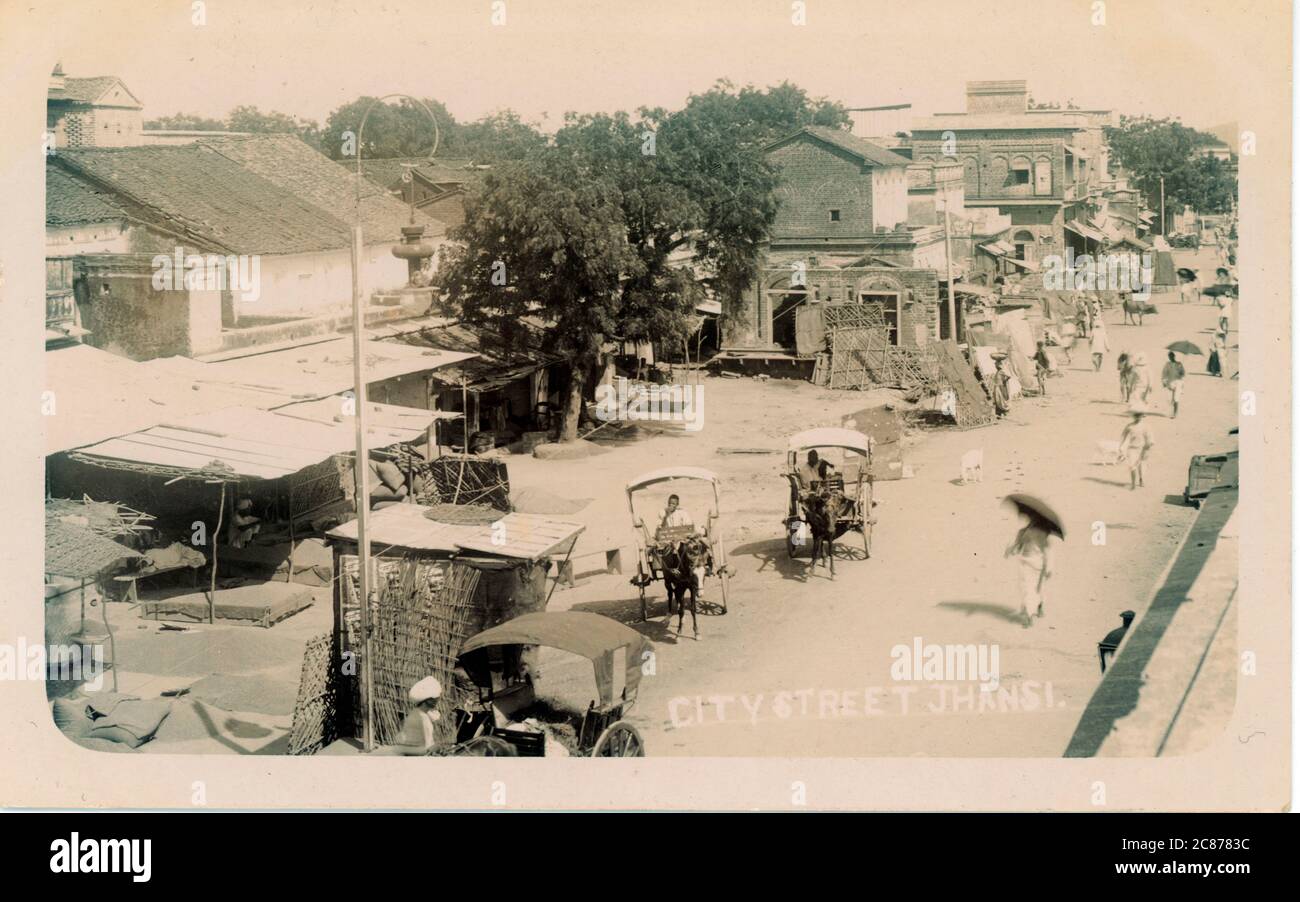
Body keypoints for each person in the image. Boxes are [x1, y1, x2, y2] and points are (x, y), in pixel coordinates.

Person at [1005, 512, 1054, 628]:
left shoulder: (1024, 532)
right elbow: (1048, 552)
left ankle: (1029, 614)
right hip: (1038, 563)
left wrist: (1010, 550)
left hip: (1028, 562)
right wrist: (1050, 567)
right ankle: (1038, 605)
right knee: (1036, 587)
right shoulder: (1044, 534)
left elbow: (1016, 548)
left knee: (1028, 588)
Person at [393, 676, 443, 756]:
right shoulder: (418, 718)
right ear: (427, 700)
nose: (437, 700)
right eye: (435, 698)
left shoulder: (423, 715)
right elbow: (407, 749)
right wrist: (431, 749)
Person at [1120, 409, 1155, 490]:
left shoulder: (1146, 426)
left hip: (1142, 449)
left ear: (1142, 416)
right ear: (1133, 416)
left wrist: (1149, 444)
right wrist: (1121, 447)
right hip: (1132, 449)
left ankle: (1141, 479)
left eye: (1139, 416)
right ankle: (1133, 484)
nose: (1138, 417)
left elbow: (1150, 437)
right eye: (1136, 416)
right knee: (1132, 466)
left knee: (1141, 465)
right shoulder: (1129, 426)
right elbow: (1123, 436)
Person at [1161, 351, 1186, 418]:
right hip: (1170, 383)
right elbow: (1164, 373)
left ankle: (1175, 413)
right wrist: (1164, 382)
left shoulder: (1179, 364)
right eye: (1169, 356)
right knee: (1170, 399)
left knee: (1176, 398)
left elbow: (1183, 373)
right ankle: (1172, 412)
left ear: (1174, 356)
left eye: (1172, 356)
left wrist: (1181, 374)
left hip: (1178, 383)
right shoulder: (1167, 364)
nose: (1171, 357)